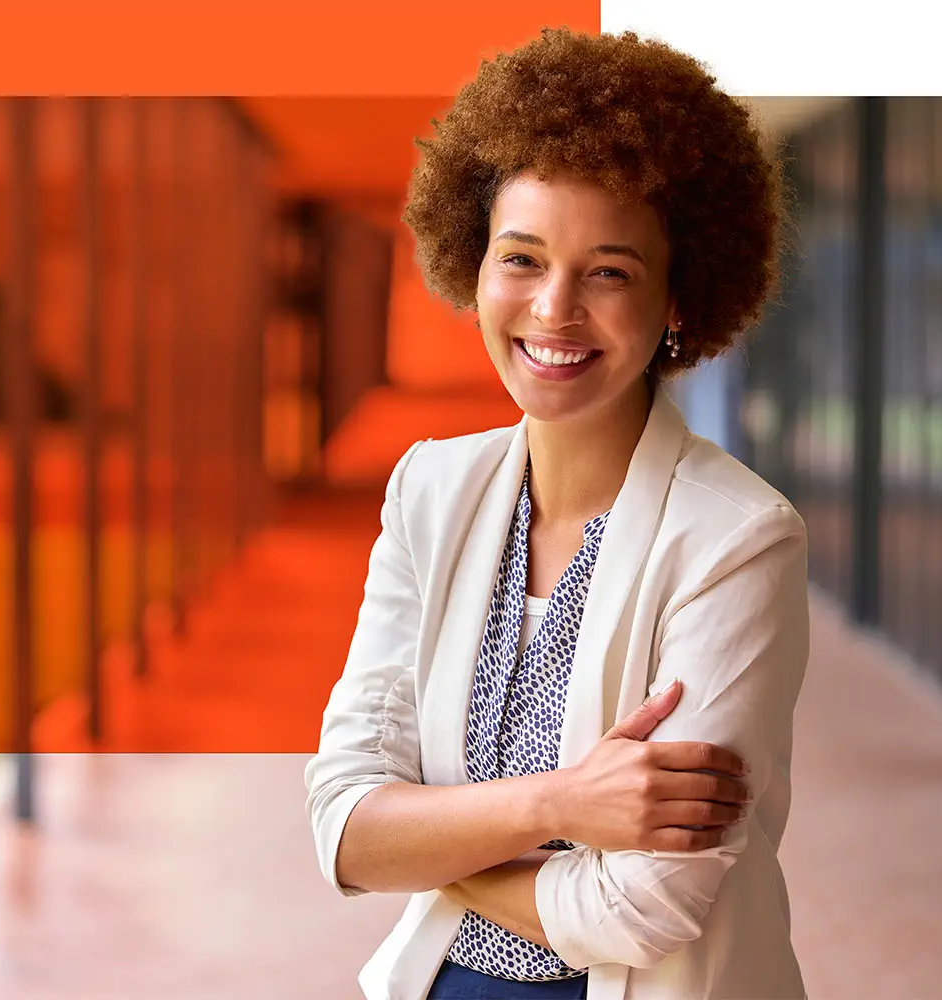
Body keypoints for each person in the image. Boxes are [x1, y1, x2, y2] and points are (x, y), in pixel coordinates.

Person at [304, 28, 810, 1000]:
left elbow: (645, 906)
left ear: (677, 295)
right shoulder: (429, 491)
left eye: (610, 271)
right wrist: (560, 802)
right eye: (522, 258)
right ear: (475, 264)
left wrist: (427, 837)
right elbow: (341, 819)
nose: (554, 309)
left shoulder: (739, 540)